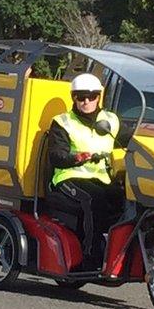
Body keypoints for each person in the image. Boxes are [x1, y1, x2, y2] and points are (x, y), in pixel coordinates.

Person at [47, 73, 128, 269]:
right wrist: (78, 157)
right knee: (94, 199)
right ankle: (90, 255)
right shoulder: (63, 122)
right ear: (73, 98)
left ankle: (121, 251)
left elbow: (131, 142)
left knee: (127, 200)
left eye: (91, 96)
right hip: (68, 177)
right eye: (80, 96)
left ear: (99, 97)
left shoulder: (111, 120)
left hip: (102, 178)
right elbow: (56, 156)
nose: (86, 101)